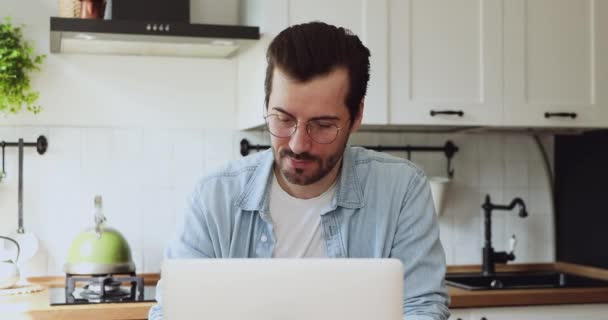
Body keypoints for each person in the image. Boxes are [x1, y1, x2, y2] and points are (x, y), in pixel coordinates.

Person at [149, 21, 450, 320]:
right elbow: (170, 314)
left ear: (356, 115)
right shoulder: (213, 197)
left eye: (322, 125)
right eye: (283, 118)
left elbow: (422, 309)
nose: (298, 143)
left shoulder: (402, 190)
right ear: (266, 103)